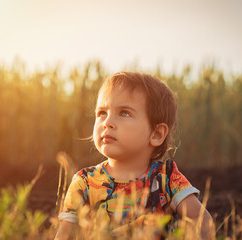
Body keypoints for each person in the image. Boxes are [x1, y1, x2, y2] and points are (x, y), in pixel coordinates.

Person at [55, 72, 215, 239]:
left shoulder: (167, 178)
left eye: (124, 113)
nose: (107, 122)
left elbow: (201, 221)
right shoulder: (84, 182)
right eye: (102, 113)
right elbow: (64, 234)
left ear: (156, 134)